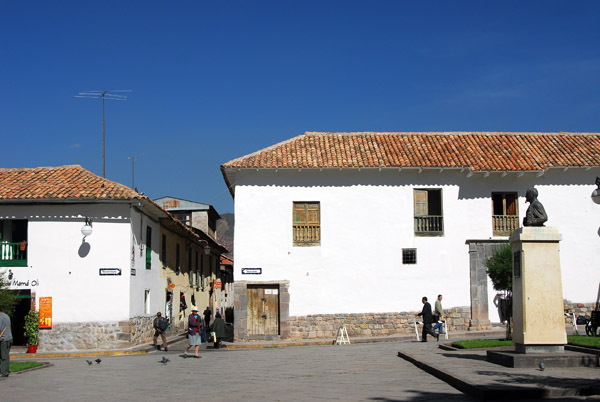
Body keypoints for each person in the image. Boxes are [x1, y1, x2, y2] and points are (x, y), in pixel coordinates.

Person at [0, 309, 12, 378]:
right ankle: (6, 370)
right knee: (5, 355)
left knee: (3, 356)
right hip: (9, 338)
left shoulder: (1, 317)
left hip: (3, 339)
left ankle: (4, 372)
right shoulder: (6, 316)